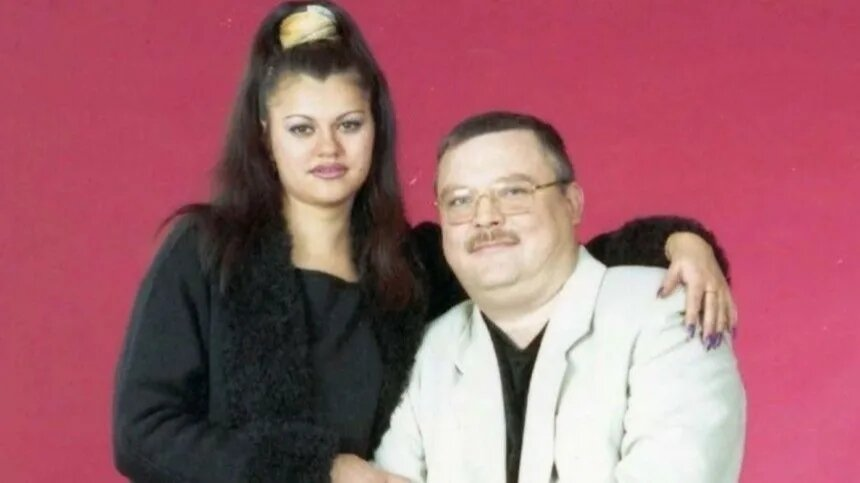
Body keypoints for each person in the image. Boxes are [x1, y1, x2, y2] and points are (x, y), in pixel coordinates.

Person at [112, 3, 736, 482]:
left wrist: (680, 241)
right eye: (302, 129)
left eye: (349, 124)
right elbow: (142, 435)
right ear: (265, 134)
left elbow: (545, 259)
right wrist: (322, 470)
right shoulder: (207, 251)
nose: (328, 148)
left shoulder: (412, 264)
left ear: (376, 129)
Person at [374, 112, 746, 483]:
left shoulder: (669, 312)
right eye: (459, 200)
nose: (485, 217)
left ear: (572, 203)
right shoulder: (431, 353)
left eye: (514, 192)